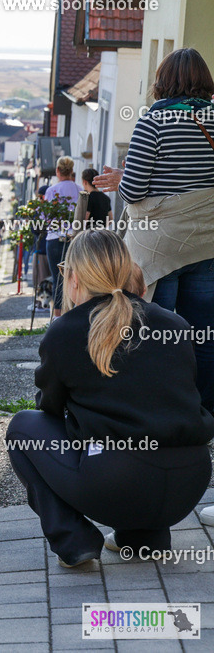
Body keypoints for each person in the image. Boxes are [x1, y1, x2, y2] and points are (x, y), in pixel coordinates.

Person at [6, 230, 214, 567]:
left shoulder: (66, 330)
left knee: (23, 427)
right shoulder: (174, 323)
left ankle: (74, 541)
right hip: (190, 482)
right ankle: (145, 539)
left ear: (73, 277)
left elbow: (49, 409)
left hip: (116, 483)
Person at [95, 47, 214, 418]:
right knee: (204, 335)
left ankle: (156, 408)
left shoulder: (153, 121)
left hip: (158, 247)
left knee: (151, 331)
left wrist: (121, 179)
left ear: (164, 81)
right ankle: (202, 411)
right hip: (206, 242)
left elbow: (132, 191)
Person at [43, 157, 79, 317]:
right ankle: (72, 314)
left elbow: (45, 218)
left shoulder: (51, 190)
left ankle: (57, 317)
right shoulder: (79, 189)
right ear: (72, 171)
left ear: (58, 171)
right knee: (75, 278)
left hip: (54, 237)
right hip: (74, 238)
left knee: (58, 279)